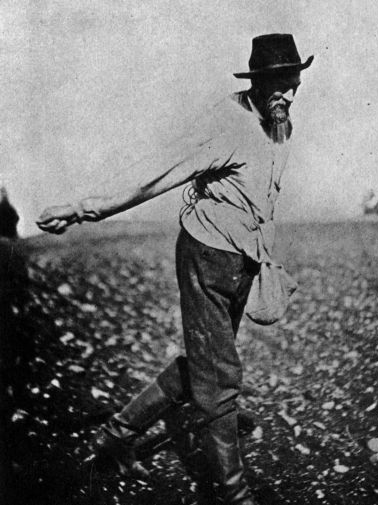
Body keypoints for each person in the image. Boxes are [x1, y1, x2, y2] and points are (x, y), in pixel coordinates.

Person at [37, 33, 314, 505]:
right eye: (278, 85)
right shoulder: (224, 125)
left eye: (294, 84)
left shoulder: (279, 125)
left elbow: (264, 198)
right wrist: (83, 208)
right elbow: (153, 174)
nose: (287, 94)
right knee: (219, 378)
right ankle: (234, 495)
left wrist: (265, 260)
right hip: (206, 257)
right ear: (256, 82)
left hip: (241, 261)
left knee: (206, 364)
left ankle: (116, 436)